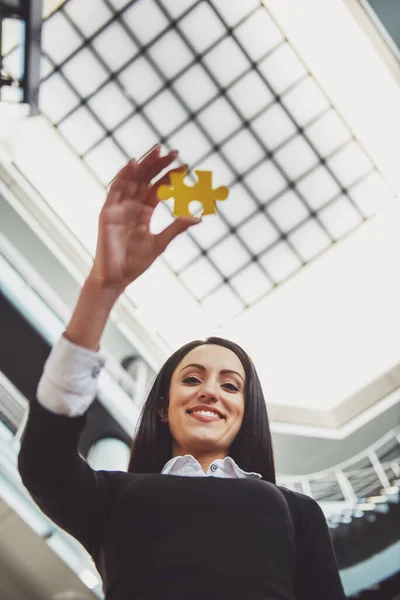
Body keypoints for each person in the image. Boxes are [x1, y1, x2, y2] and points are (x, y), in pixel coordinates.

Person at [17, 146, 347, 600]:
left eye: (230, 385)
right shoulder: (113, 497)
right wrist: (103, 287)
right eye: (192, 379)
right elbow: (43, 461)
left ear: (246, 412)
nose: (210, 392)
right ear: (162, 409)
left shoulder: (297, 512)